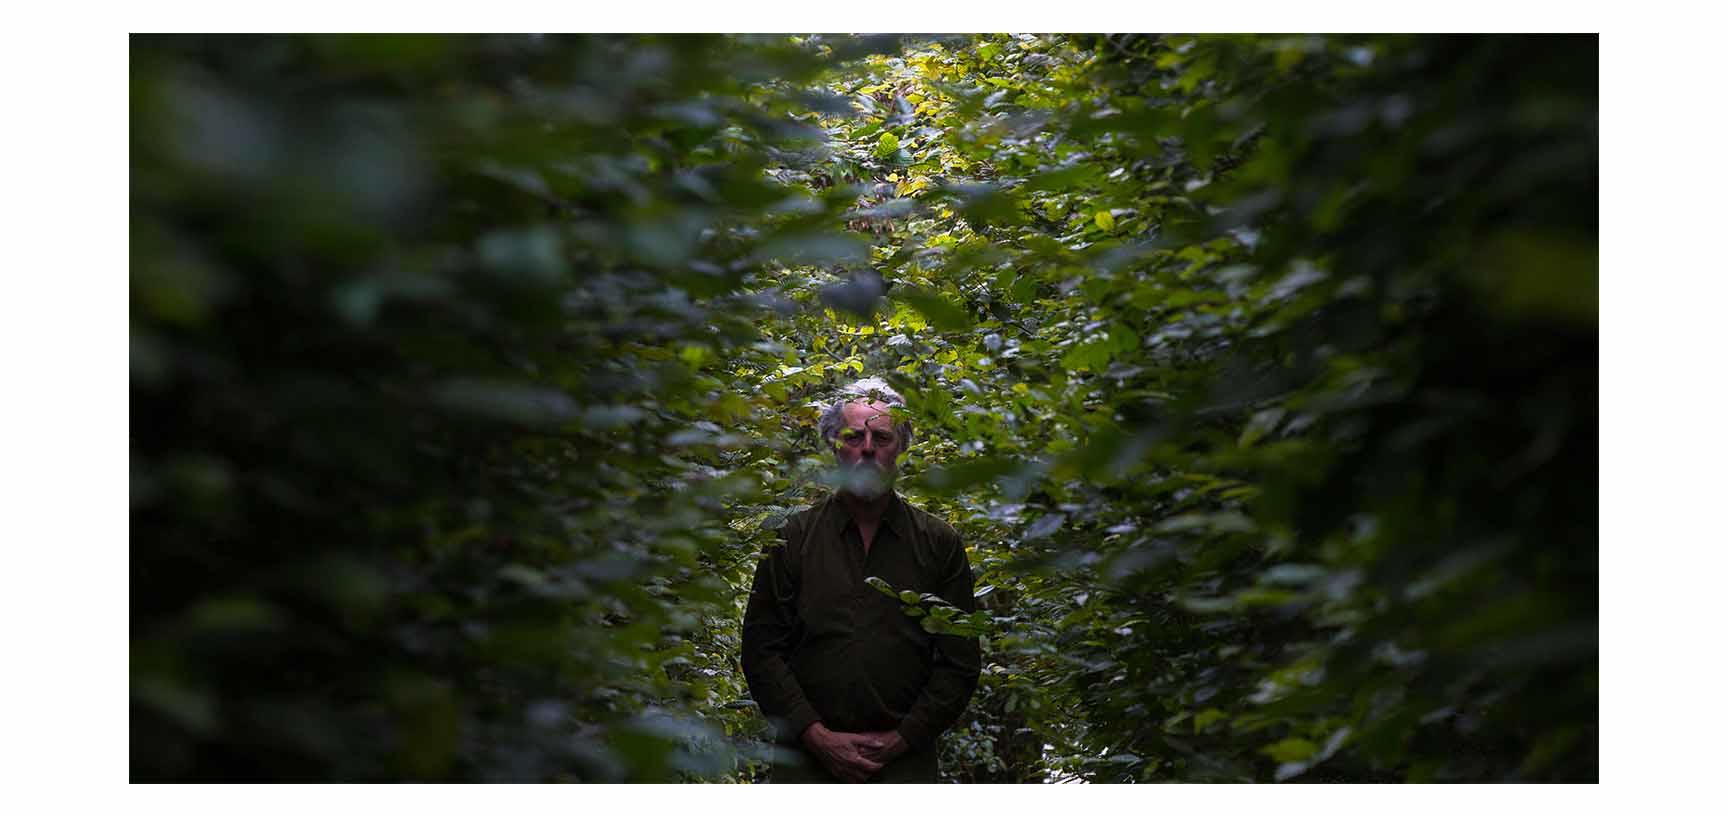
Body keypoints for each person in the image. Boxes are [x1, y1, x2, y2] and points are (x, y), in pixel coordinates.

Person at [742, 377, 982, 783]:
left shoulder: (938, 543)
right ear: (835, 446)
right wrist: (816, 736)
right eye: (853, 437)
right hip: (805, 768)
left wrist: (903, 738)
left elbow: (959, 663)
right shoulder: (792, 537)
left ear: (901, 447)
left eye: (882, 438)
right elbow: (762, 650)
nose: (867, 449)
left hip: (905, 769)